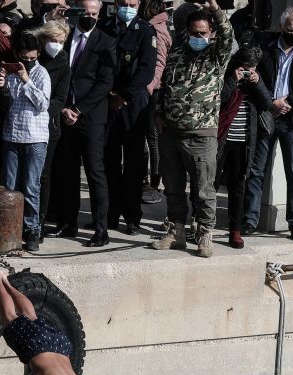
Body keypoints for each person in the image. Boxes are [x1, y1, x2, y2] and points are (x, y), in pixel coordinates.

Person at [150, 0, 233, 258]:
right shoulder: (177, 53)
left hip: (201, 135)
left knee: (203, 190)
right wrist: (160, 114)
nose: (198, 37)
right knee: (173, 187)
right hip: (172, 133)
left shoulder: (216, 55)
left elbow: (228, 34)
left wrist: (215, 9)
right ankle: (176, 232)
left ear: (211, 33)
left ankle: (205, 233)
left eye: (202, 33)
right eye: (194, 32)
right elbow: (165, 86)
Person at [242, 7, 293, 243]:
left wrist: (288, 102)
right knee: (256, 171)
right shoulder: (264, 46)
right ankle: (250, 219)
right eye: (290, 29)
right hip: (266, 116)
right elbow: (253, 77)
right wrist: (271, 103)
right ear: (281, 27)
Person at [48, 0, 116, 247]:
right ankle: (67, 223)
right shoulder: (63, 36)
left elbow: (105, 83)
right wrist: (63, 108)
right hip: (63, 114)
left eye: (94, 13)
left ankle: (100, 229)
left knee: (94, 172)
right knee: (66, 172)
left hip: (91, 118)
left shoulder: (106, 42)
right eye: (85, 12)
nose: (89, 16)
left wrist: (78, 109)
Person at [100, 0, 156, 236]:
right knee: (108, 161)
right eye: (124, 2)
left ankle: (132, 217)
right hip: (106, 101)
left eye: (133, 3)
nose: (128, 6)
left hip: (133, 104)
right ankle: (109, 215)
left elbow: (146, 70)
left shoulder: (145, 31)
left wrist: (123, 96)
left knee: (134, 164)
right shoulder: (104, 27)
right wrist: (108, 93)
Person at [0, 32, 51, 251]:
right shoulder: (10, 72)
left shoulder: (41, 73)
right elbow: (5, 101)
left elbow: (43, 104)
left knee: (31, 187)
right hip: (12, 135)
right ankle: (10, 228)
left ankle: (32, 230)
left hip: (35, 138)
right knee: (10, 186)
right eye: (24, 58)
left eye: (32, 58)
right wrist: (1, 84)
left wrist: (27, 81)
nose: (28, 62)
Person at [216, 45, 271, 249]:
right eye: (245, 67)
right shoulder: (226, 73)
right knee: (210, 183)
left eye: (252, 68)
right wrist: (233, 79)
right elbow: (219, 98)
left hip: (243, 142)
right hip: (221, 138)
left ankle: (235, 231)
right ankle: (202, 227)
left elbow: (267, 104)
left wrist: (258, 82)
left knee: (238, 186)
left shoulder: (256, 80)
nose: (248, 71)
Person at [32, 19, 70, 233]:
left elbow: (60, 98)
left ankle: (39, 221)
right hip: (23, 123)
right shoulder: (33, 57)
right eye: (53, 40)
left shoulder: (63, 62)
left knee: (43, 175)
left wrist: (41, 111)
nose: (57, 45)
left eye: (61, 41)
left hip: (47, 125)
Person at [142, 0, 170, 202]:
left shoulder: (157, 30)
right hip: (153, 89)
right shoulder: (157, 26)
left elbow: (160, 62)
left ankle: (153, 183)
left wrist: (149, 87)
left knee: (152, 139)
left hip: (154, 90)